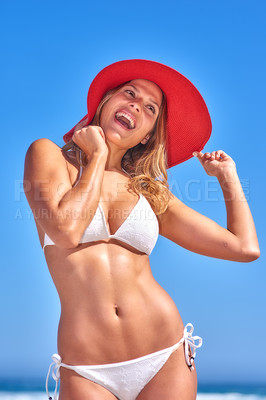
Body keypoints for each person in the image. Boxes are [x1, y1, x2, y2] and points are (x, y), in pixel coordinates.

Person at [23, 59, 260, 400]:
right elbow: (66, 231)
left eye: (150, 108)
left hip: (164, 357)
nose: (136, 104)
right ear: (104, 103)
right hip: (87, 369)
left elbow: (243, 247)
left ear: (147, 134)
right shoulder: (48, 156)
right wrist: (99, 154)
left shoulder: (147, 191)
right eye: (129, 93)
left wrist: (228, 179)